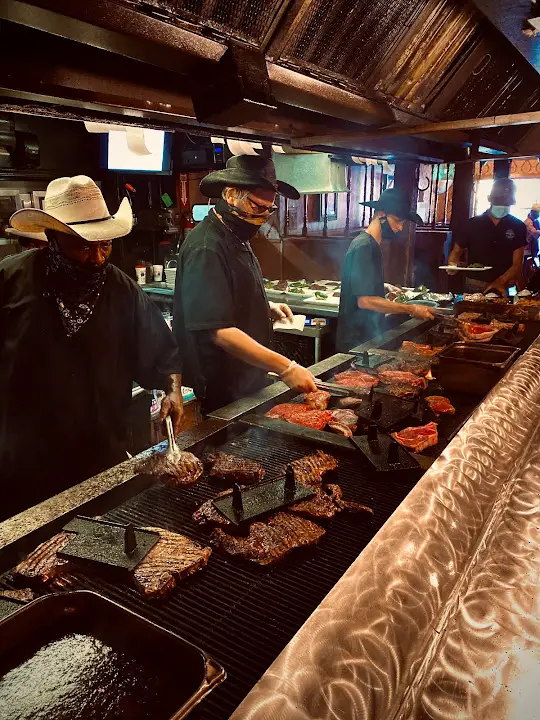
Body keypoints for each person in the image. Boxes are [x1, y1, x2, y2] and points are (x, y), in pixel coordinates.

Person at [0, 175, 184, 520]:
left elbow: (161, 351)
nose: (98, 258)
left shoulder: (122, 289)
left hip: (99, 457)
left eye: (106, 245)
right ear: (52, 240)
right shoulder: (10, 281)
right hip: (22, 464)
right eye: (84, 246)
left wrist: (172, 390)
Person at [173, 154, 317, 414]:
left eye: (268, 210)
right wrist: (286, 367)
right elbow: (218, 331)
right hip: (223, 387)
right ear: (230, 195)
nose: (262, 218)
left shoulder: (236, 235)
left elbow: (230, 293)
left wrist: (262, 308)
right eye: (256, 207)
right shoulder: (206, 246)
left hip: (247, 379)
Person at [336, 188, 433, 353]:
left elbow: (360, 284)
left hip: (367, 335)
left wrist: (383, 286)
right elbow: (365, 301)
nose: (400, 228)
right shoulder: (364, 246)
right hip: (355, 341)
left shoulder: (371, 245)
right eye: (397, 220)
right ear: (381, 214)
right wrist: (411, 309)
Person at [447, 178, 527, 294]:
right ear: (489, 199)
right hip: (474, 285)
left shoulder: (518, 226)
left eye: (506, 202)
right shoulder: (471, 223)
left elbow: (518, 263)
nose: (501, 205)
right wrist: (452, 265)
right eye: (498, 201)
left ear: (513, 202)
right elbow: (456, 251)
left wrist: (500, 281)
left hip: (502, 286)